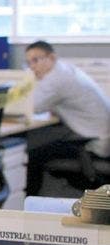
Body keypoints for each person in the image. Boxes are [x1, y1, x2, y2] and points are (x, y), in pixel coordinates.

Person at [23, 40, 110, 195]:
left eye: (36, 60)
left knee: (33, 154)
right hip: (98, 135)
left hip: (92, 143)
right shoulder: (66, 70)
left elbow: (32, 106)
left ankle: (29, 203)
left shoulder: (56, 79)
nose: (32, 66)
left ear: (52, 57)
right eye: (28, 62)